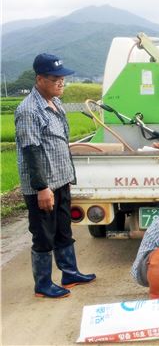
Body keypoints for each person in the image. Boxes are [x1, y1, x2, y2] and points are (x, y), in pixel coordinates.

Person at [15, 53, 96, 298]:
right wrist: (42, 188)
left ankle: (69, 273)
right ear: (40, 79)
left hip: (60, 181)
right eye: (55, 79)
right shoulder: (29, 110)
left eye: (63, 79)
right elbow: (32, 151)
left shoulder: (55, 103)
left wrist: (67, 180)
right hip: (43, 187)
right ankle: (42, 284)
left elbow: (59, 144)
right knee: (43, 235)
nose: (61, 83)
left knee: (63, 231)